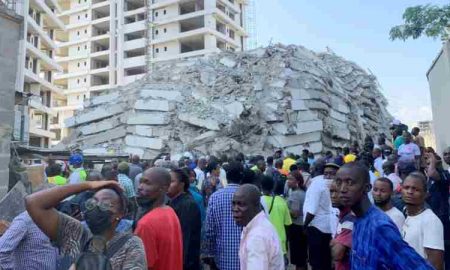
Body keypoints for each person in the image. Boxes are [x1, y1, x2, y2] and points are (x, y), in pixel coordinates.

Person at [24, 181, 146, 270]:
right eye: (92, 202)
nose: (96, 207)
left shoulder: (130, 244)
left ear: (119, 214)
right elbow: (33, 202)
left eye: (105, 204)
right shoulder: (75, 232)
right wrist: (88, 185)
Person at [335, 162, 434, 269]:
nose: (342, 189)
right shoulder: (357, 219)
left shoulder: (379, 226)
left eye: (350, 183)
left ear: (367, 188)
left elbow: (418, 267)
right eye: (339, 183)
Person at [134, 167, 183, 270]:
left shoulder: (146, 224)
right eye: (140, 182)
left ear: (164, 188)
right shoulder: (170, 211)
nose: (140, 187)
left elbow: (142, 266)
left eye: (147, 183)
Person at [232, 184, 284, 270]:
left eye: (241, 204)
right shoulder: (258, 226)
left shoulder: (256, 237)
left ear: (255, 206)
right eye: (234, 204)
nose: (235, 209)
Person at [202, 161, 243, 270]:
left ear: (227, 179)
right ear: (241, 179)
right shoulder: (249, 196)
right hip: (246, 258)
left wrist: (209, 254)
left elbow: (209, 229)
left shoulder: (215, 197)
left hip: (222, 257)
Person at [401, 172, 444, 269]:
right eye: (406, 188)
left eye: (416, 189)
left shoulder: (430, 221)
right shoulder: (408, 214)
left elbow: (436, 265)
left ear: (425, 194)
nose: (410, 192)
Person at [168, 169, 202, 270]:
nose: (167, 185)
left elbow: (185, 237)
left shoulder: (187, 205)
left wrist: (181, 264)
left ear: (182, 184)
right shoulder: (173, 202)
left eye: (172, 181)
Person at [303, 158, 333, 270]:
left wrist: (305, 226)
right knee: (326, 260)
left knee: (317, 262)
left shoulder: (316, 184)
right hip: (328, 226)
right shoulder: (329, 182)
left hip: (317, 227)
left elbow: (312, 210)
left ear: (314, 169)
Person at [260, 176, 292, 258]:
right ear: (273, 186)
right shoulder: (281, 201)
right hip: (280, 243)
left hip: (263, 244)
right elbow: (287, 224)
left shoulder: (258, 202)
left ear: (261, 186)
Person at [329, 181, 356, 270]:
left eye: (337, 192)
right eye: (331, 191)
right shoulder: (342, 215)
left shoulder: (350, 219)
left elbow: (337, 254)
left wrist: (334, 242)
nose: (333, 196)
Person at [286, 171, 308, 270]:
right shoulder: (303, 192)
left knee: (299, 258)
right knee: (302, 257)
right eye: (287, 179)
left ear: (297, 181)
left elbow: (295, 213)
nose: (287, 182)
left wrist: (285, 208)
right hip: (302, 227)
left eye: (290, 179)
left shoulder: (295, 194)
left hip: (296, 228)